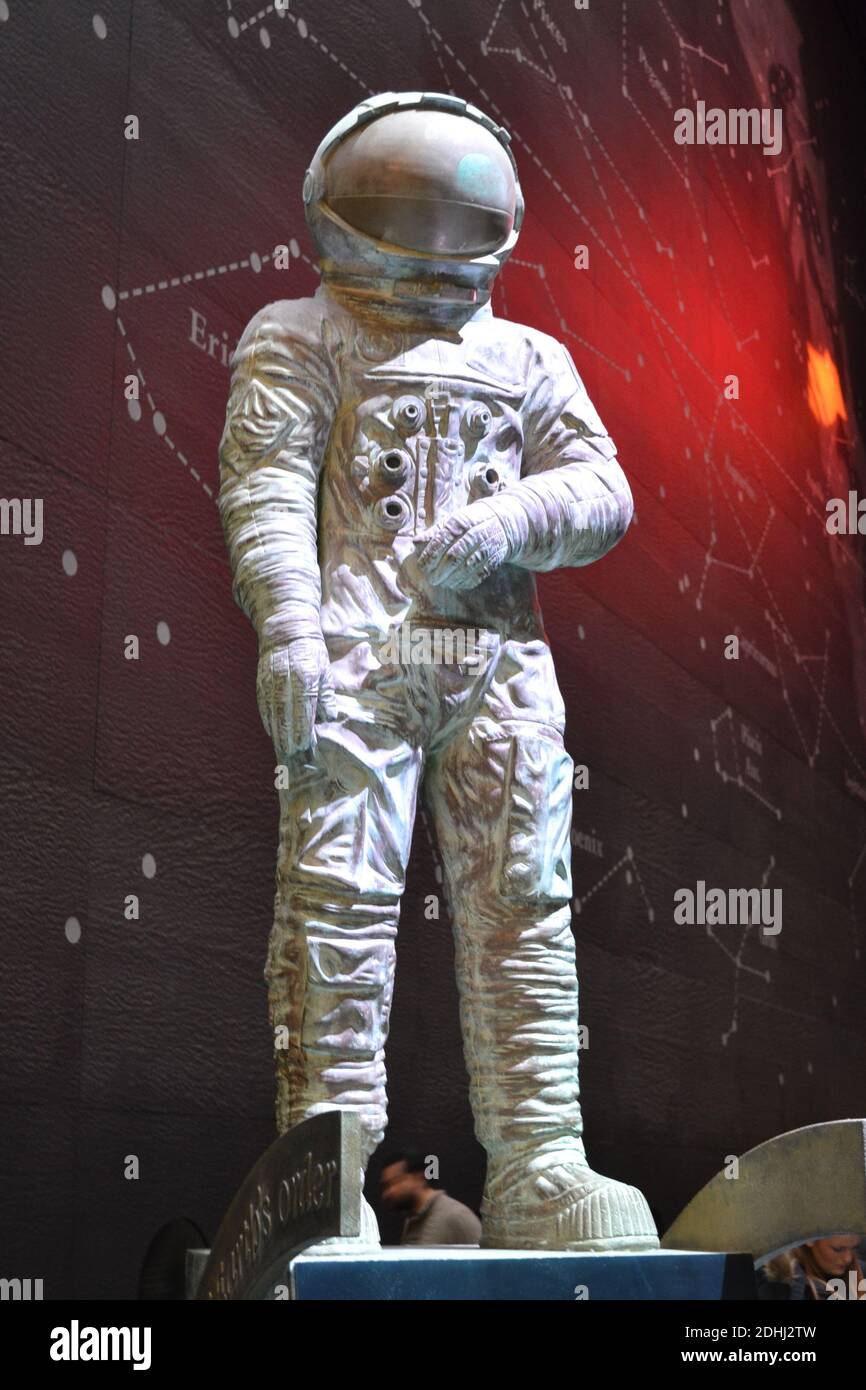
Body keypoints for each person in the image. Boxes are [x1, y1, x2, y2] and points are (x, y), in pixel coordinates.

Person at [218, 89, 656, 1253]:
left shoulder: (525, 357)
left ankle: (541, 1162)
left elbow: (603, 489)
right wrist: (290, 628)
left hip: (494, 665)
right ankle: (329, 1174)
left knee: (524, 907)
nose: (429, 240)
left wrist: (511, 518)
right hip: (360, 655)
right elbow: (266, 489)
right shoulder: (299, 334)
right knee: (338, 912)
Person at [380, 1152, 482, 1246]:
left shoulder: (455, 1215)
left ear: (419, 1178)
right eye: (387, 1186)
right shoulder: (412, 1219)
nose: (390, 1191)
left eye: (397, 1181)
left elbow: (488, 1262)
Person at [759, 1236, 866, 1299]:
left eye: (854, 1248)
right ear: (810, 1240)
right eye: (838, 1249)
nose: (848, 1258)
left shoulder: (862, 1273)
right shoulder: (777, 1284)